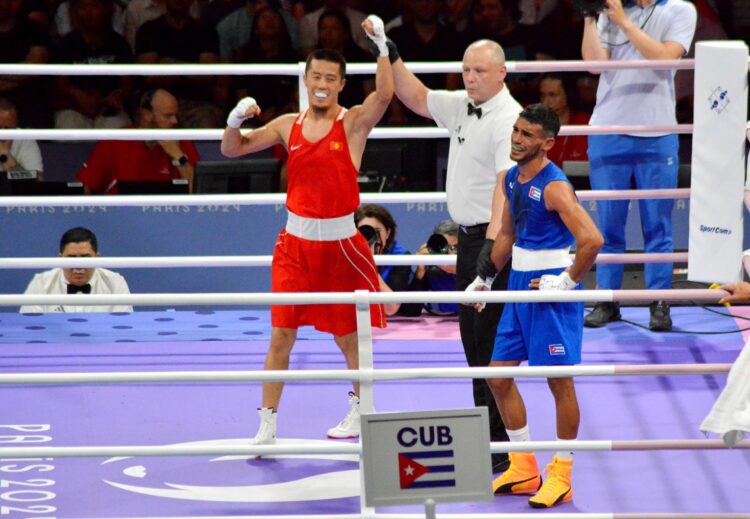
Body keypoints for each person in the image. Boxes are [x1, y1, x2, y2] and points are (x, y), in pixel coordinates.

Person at [220, 18, 393, 442]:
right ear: (306, 78)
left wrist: (382, 48)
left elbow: (385, 95)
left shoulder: (351, 124)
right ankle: (267, 422)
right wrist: (233, 119)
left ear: (340, 85)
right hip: (294, 245)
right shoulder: (286, 125)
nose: (321, 83)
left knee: (349, 338)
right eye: (315, 76)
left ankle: (361, 410)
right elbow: (232, 149)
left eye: (330, 78)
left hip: (340, 245)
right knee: (281, 334)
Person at [387, 35, 521, 472]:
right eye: (466, 69)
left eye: (480, 70)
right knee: (472, 342)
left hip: (492, 240)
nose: (471, 77)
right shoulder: (462, 104)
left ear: (501, 72)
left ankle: (501, 447)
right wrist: (391, 53)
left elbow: (506, 183)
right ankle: (488, 438)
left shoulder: (509, 118)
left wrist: (492, 250)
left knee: (489, 342)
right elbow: (416, 96)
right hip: (468, 238)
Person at [468, 104, 602, 508]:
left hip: (550, 291)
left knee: (558, 382)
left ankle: (561, 473)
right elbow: (507, 232)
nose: (516, 138)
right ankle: (523, 465)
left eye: (527, 134)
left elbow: (592, 240)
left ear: (547, 143)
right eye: (515, 130)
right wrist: (486, 277)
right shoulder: (512, 177)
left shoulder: (555, 186)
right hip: (519, 288)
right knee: (498, 376)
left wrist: (567, 281)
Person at [581, 0, 697, 332]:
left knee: (658, 224)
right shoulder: (610, 10)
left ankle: (659, 301)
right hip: (607, 130)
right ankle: (606, 298)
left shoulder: (679, 9)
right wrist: (591, 16)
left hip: (657, 132)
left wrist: (623, 22)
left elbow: (666, 57)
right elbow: (593, 64)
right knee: (608, 225)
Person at [76, 88, 200, 194]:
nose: (175, 121)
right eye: (168, 116)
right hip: (121, 216)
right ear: (147, 115)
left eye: (175, 115)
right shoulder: (116, 141)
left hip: (170, 218)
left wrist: (178, 156)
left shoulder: (182, 141)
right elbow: (84, 187)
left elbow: (199, 192)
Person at [20, 227, 133, 314]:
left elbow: (122, 328)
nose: (78, 267)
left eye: (85, 258)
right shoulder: (41, 283)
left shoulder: (115, 282)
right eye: (71, 259)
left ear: (97, 258)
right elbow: (30, 327)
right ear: (60, 259)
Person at [404, 218, 460, 317]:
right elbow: (412, 311)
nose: (450, 253)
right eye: (445, 247)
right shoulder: (431, 263)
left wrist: (460, 270)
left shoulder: (472, 264)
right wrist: (420, 271)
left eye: (455, 247)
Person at [0, 97, 44, 175]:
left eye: (7, 128)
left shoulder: (25, 139)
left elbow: (37, 182)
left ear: (15, 124)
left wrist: (6, 154)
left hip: (13, 187)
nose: (2, 133)